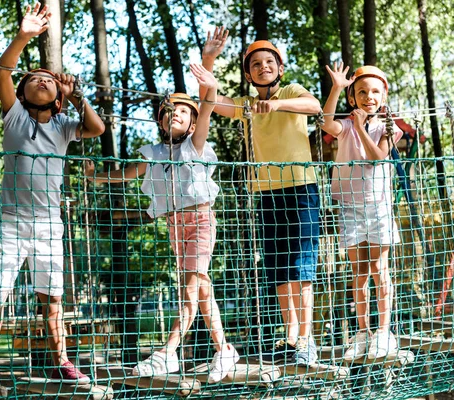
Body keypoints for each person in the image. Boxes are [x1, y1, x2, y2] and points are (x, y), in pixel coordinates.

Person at [0, 1, 105, 383]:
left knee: (53, 298)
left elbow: (96, 129)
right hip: (11, 224)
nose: (42, 80)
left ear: (59, 98)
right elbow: (3, 70)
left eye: (49, 79)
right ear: (23, 93)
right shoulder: (15, 118)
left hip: (49, 225)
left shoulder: (64, 125)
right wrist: (23, 36)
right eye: (34, 78)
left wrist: (77, 95)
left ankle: (62, 362)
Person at [86, 64, 239, 383]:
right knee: (201, 288)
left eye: (183, 111)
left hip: (200, 219)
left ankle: (168, 352)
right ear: (159, 120)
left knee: (190, 286)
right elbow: (125, 175)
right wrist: (94, 177)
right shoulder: (153, 153)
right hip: (174, 224)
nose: (175, 115)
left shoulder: (194, 145)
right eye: (168, 111)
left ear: (193, 121)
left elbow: (207, 108)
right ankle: (223, 348)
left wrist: (208, 83)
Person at [199, 27, 322, 366]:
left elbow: (312, 105)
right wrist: (209, 59)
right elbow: (211, 101)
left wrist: (278, 103)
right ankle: (292, 335)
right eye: (255, 64)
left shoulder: (292, 91)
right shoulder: (248, 106)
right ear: (249, 75)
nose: (263, 67)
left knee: (302, 263)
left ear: (279, 68)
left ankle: (308, 338)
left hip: (301, 188)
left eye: (269, 62)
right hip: (266, 192)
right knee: (279, 265)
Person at [322, 62, 402, 360]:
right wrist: (336, 88)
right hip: (351, 208)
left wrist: (359, 126)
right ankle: (362, 332)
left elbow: (377, 157)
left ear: (383, 97)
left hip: (379, 208)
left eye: (375, 92)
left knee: (381, 270)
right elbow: (325, 122)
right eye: (362, 92)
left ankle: (383, 331)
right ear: (353, 98)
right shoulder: (344, 125)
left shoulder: (388, 128)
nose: (369, 96)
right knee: (359, 274)